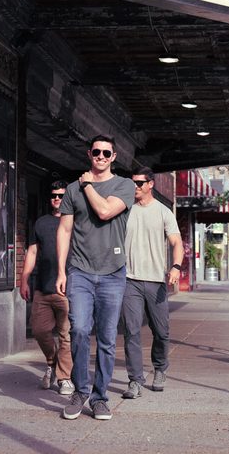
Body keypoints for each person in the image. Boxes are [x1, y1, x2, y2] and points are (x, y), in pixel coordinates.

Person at [56, 135, 135, 421]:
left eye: (106, 153)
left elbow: (104, 211)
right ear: (89, 154)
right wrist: (62, 270)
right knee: (78, 329)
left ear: (113, 157)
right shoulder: (70, 191)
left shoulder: (124, 185)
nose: (100, 157)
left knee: (106, 337)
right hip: (80, 271)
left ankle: (100, 397)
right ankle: (80, 391)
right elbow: (64, 230)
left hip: (113, 272)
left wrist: (87, 184)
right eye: (96, 152)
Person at [120, 167, 183, 399]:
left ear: (150, 184)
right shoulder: (126, 210)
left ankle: (159, 369)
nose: (135, 187)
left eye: (139, 183)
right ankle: (135, 380)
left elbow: (176, 243)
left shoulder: (164, 212)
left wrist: (175, 267)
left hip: (156, 281)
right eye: (132, 183)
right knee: (131, 331)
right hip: (130, 280)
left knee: (161, 331)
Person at [19, 181, 73, 395]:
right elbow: (32, 252)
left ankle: (65, 378)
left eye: (61, 195)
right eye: (53, 196)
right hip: (42, 287)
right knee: (40, 330)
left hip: (67, 289)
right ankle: (51, 362)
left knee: (65, 335)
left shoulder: (74, 222)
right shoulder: (41, 223)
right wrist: (24, 278)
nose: (57, 199)